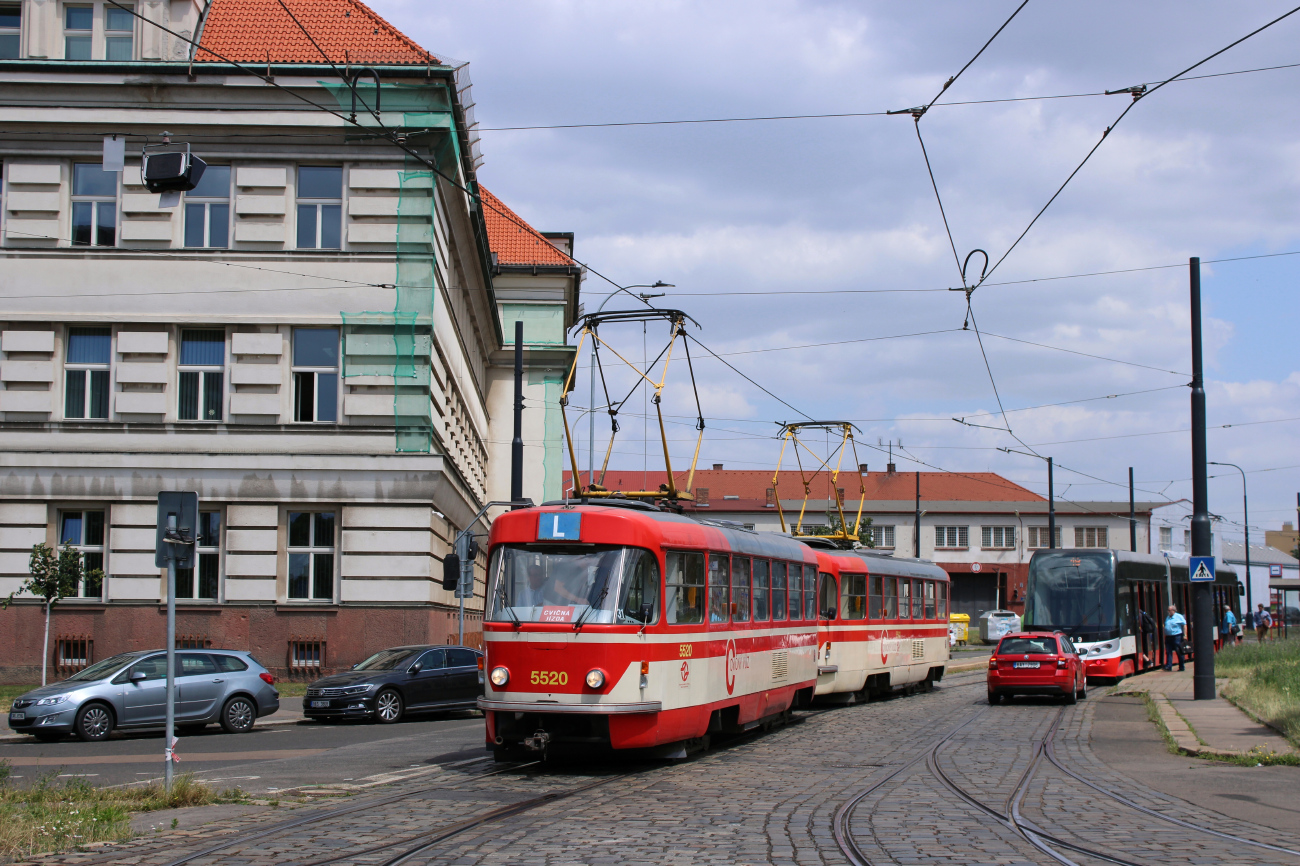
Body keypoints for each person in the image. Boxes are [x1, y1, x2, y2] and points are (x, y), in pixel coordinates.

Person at [1163, 604, 1187, 672]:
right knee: (1168, 651)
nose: (1168, 612)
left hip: (1177, 636)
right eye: (1168, 610)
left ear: (1173, 610)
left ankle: (1181, 666)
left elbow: (1184, 625)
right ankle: (1168, 666)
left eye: (1169, 610)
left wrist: (1185, 635)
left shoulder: (1179, 616)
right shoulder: (1167, 617)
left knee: (1178, 651)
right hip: (1168, 637)